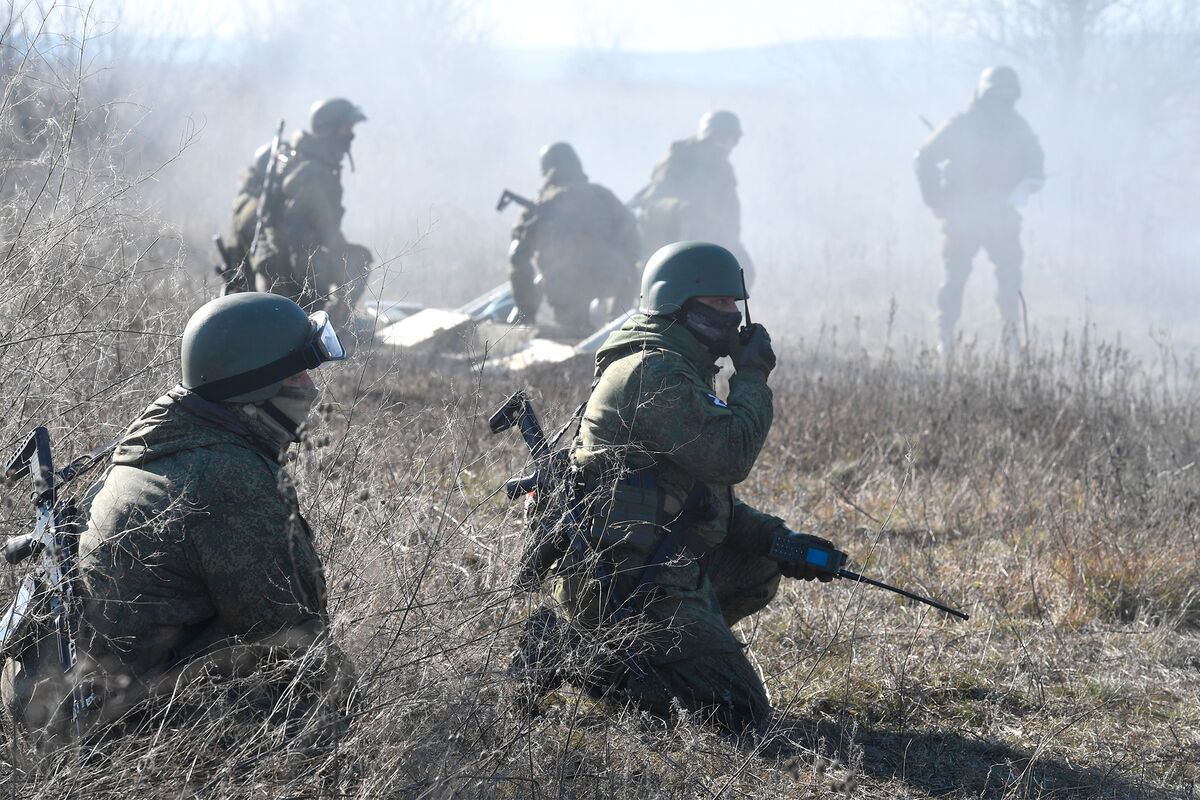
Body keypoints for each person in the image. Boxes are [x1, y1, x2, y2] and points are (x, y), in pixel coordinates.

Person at [513, 241, 836, 739]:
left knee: (760, 563)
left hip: (657, 564)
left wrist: (779, 540)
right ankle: (569, 650)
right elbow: (730, 457)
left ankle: (664, 656)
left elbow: (699, 499)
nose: (733, 316)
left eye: (736, 303)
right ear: (680, 307)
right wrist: (751, 376)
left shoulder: (680, 369)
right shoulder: (654, 373)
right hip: (623, 579)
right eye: (720, 304)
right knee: (739, 715)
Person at [1, 292, 353, 743]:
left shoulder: (169, 434)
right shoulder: (229, 481)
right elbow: (299, 643)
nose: (310, 387)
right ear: (255, 386)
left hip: (50, 704)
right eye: (297, 372)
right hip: (108, 736)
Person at [915, 66, 1045, 354]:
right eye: (996, 96)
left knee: (1010, 280)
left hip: (1002, 216)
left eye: (1007, 97)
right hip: (963, 217)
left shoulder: (1018, 128)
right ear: (984, 95)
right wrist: (936, 201)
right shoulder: (961, 126)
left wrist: (1030, 182)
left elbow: (1037, 166)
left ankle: (1011, 340)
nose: (1002, 103)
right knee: (954, 280)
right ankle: (945, 337)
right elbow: (924, 159)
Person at [238, 97, 373, 330]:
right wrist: (314, 299)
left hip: (283, 265)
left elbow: (325, 233)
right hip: (286, 272)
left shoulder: (314, 165)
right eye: (346, 128)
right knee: (359, 260)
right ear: (329, 130)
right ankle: (332, 327)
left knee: (353, 257)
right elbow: (297, 239)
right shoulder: (311, 174)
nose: (351, 135)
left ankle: (328, 322)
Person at [508, 142, 642, 336]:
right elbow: (634, 243)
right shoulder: (602, 196)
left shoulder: (542, 203)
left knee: (573, 338)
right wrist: (623, 273)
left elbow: (518, 255)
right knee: (614, 336)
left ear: (546, 169)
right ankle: (617, 334)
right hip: (612, 280)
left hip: (566, 289)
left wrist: (525, 311)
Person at [629, 111, 755, 286]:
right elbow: (652, 204)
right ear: (708, 137)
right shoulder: (677, 159)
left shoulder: (724, 170)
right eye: (722, 139)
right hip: (666, 239)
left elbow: (732, 212)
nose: (728, 145)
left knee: (742, 274)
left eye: (732, 140)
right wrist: (678, 208)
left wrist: (730, 242)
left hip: (707, 240)